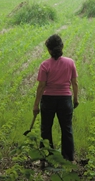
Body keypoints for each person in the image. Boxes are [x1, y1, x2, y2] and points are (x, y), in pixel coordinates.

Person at [33, 34, 79, 162]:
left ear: (49, 50)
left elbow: (41, 86)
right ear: (62, 46)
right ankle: (68, 158)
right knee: (67, 129)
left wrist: (36, 105)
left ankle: (47, 157)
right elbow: (75, 83)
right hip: (65, 100)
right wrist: (75, 99)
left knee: (46, 128)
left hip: (48, 100)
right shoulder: (70, 63)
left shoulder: (45, 65)